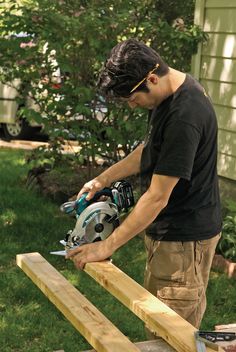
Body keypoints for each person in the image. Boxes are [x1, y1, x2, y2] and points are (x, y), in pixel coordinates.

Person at [66, 38, 222, 330]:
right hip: (173, 234)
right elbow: (149, 150)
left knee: (169, 334)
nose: (132, 104)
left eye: (132, 97)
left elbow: (156, 198)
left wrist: (106, 246)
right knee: (158, 325)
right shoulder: (168, 94)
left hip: (183, 239)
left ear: (151, 78)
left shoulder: (184, 116)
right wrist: (103, 178)